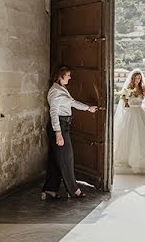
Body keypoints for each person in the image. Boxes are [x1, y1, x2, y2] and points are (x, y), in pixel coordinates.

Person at [43, 65, 98, 200]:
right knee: (67, 159)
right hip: (59, 127)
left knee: (56, 160)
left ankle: (50, 189)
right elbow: (53, 113)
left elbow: (72, 102)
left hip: (64, 125)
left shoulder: (62, 89)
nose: (70, 77)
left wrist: (88, 108)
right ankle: (74, 190)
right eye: (68, 75)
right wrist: (58, 133)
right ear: (60, 75)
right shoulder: (55, 91)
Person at [113, 68, 145, 174]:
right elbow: (124, 103)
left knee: (142, 137)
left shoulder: (143, 88)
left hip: (140, 113)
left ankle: (141, 160)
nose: (137, 80)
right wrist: (127, 104)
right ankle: (127, 159)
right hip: (130, 114)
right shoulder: (128, 88)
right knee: (129, 136)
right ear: (132, 78)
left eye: (139, 78)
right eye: (136, 78)